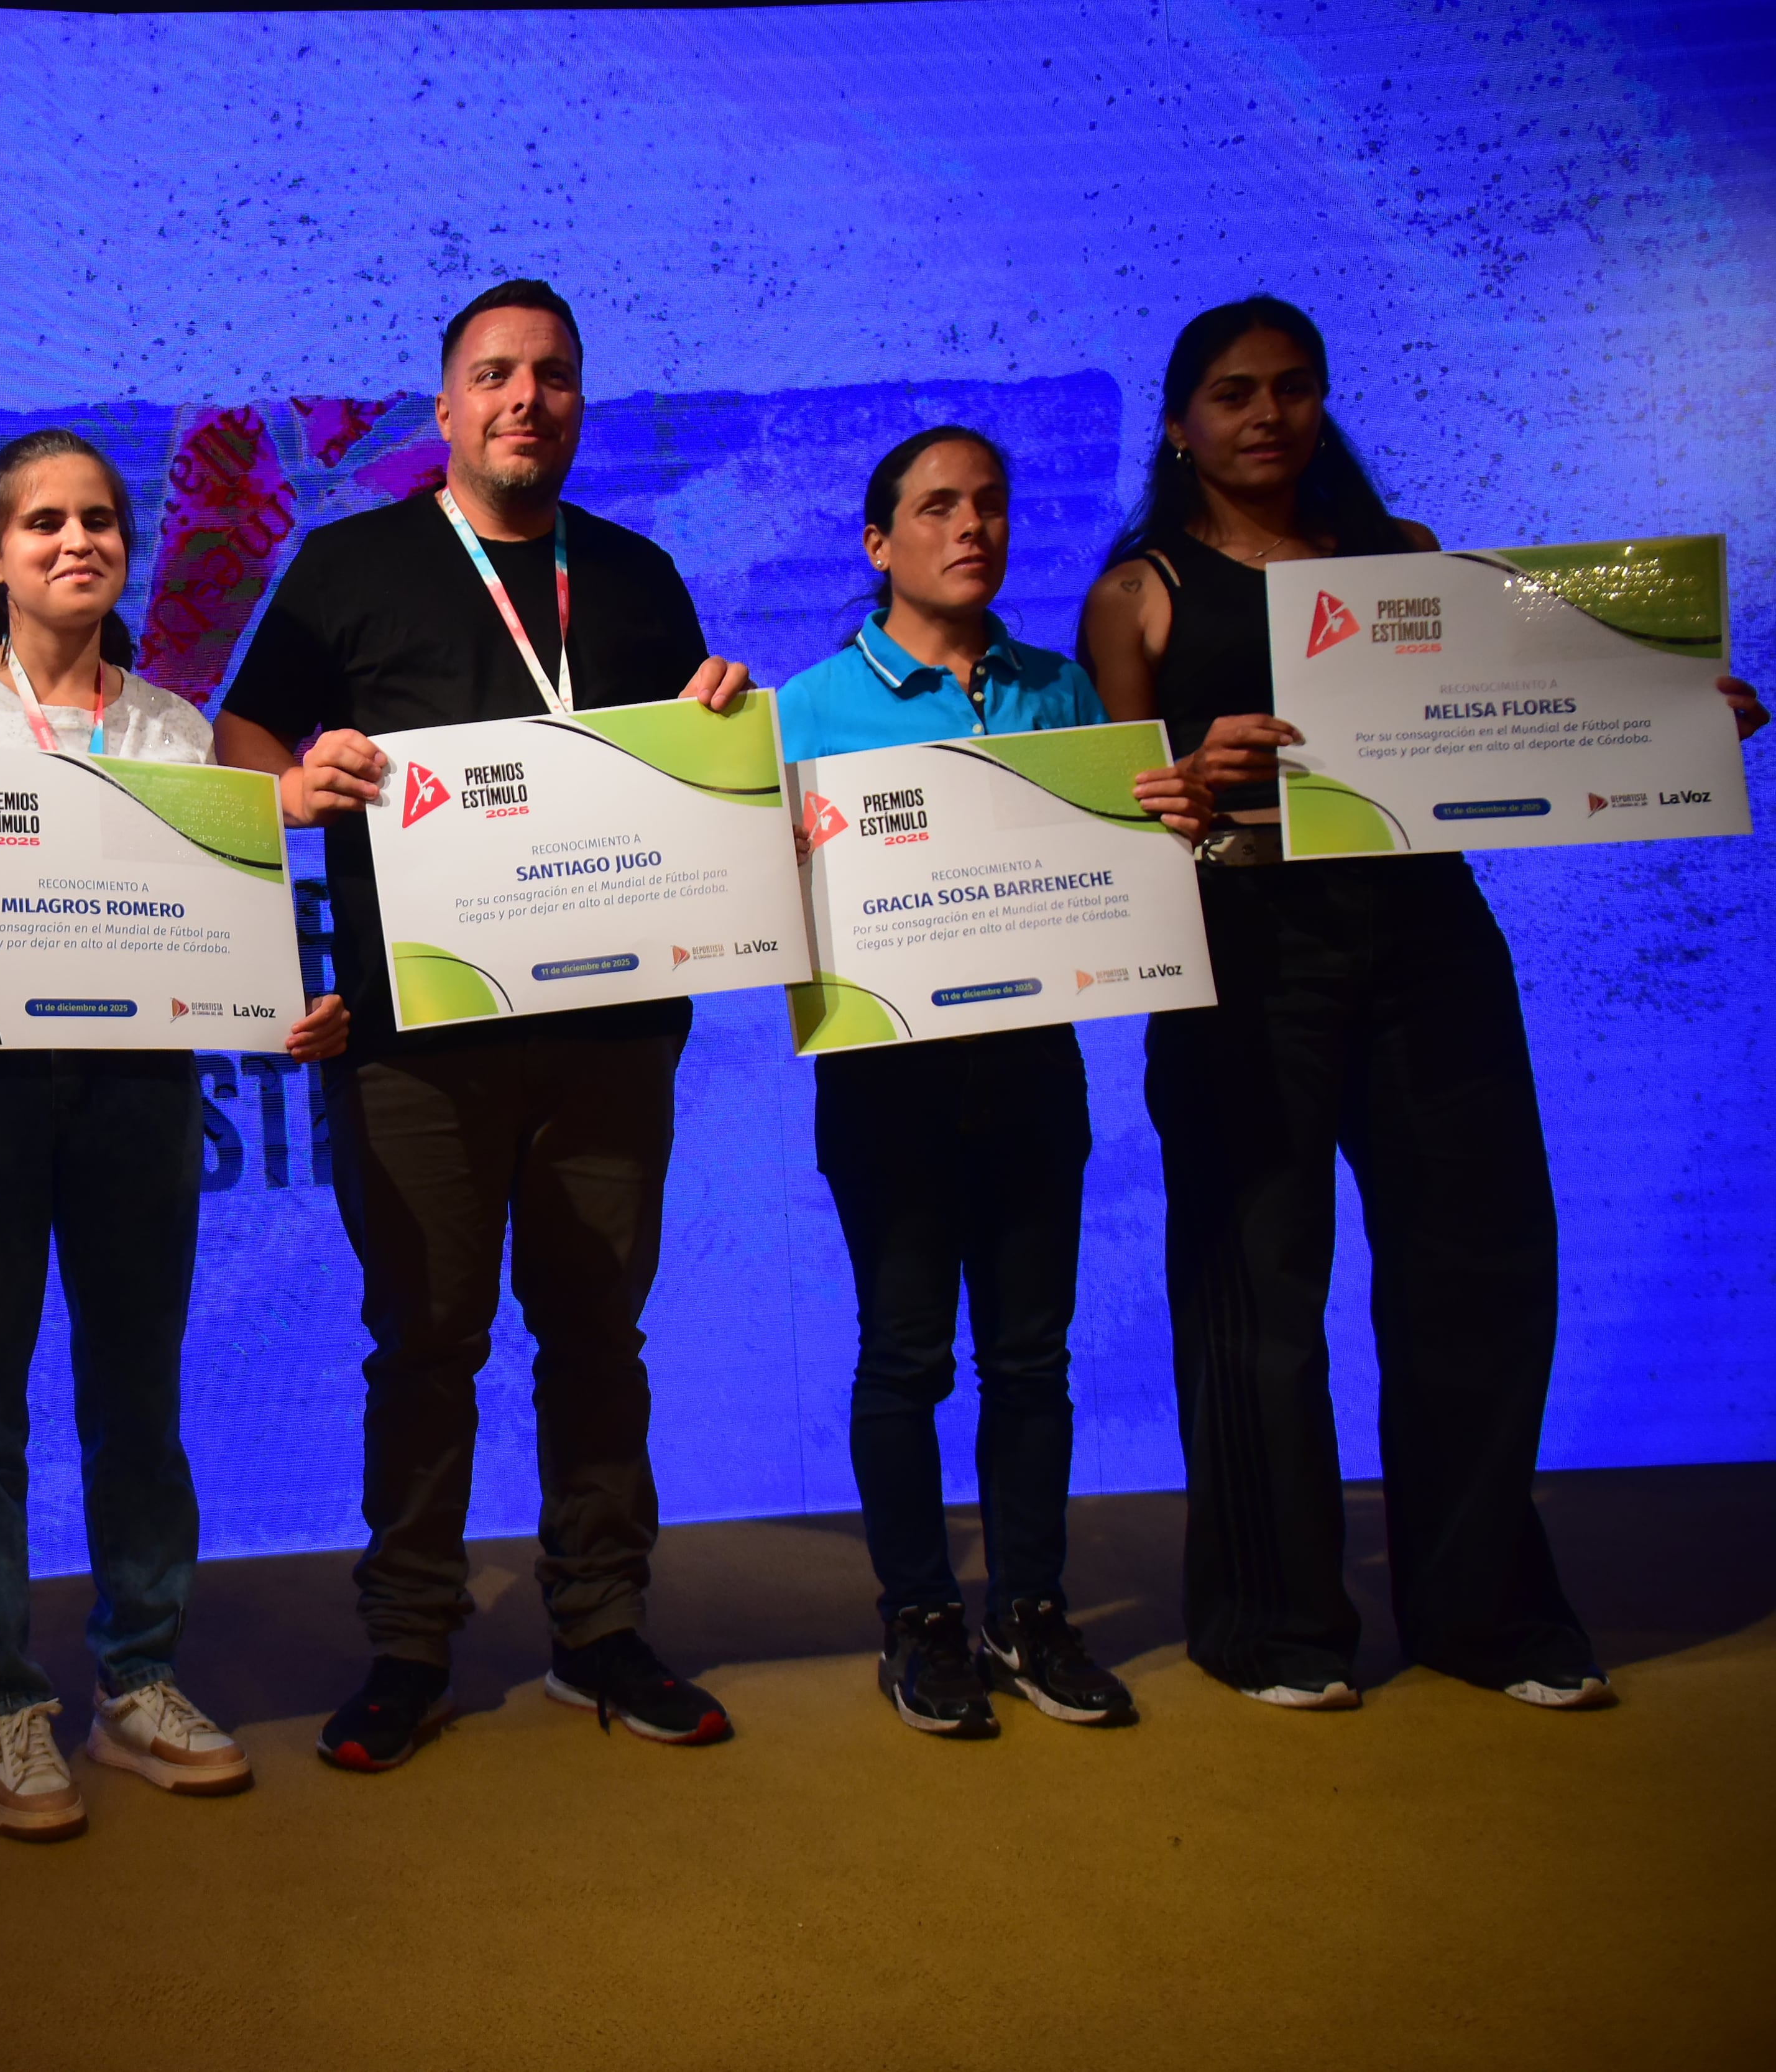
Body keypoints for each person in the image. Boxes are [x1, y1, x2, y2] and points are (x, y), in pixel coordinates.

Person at [1078, 295, 1767, 1711]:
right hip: (1241, 952)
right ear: (1178, 423)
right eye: (1231, 392)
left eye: (1290, 386)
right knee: (1253, 1293)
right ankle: (1272, 1624)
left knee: (1478, 1268)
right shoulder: (1137, 591)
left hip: (1428, 941)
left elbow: (1554, 703)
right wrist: (1190, 782)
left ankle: (1487, 1611)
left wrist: (1678, 722)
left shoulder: (1407, 564)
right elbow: (1112, 817)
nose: (1265, 413)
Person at [213, 279, 759, 1769]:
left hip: (610, 1031)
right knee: (425, 1341)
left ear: (579, 403)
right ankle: (408, 1642)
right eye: (495, 374)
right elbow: (239, 737)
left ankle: (600, 1623)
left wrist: (726, 714)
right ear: (444, 405)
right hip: (417, 1035)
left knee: (597, 1333)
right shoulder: (349, 564)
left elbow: (695, 783)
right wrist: (290, 780)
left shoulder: (640, 579)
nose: (527, 398)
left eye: (555, 376)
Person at [0, 428, 351, 1838]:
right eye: (45, 521)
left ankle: (139, 1678)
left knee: (139, 1393)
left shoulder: (175, 732)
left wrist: (285, 1007)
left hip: (133, 1092)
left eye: (101, 520)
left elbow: (222, 928)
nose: (78, 540)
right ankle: (4, 1702)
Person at [776, 426, 1209, 1736]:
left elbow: (1110, 879)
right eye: (938, 506)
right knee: (903, 1358)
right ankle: (916, 1616)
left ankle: (1029, 1611)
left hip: (1032, 1078)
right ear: (877, 542)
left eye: (992, 506)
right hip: (887, 1088)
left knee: (1030, 1358)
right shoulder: (801, 709)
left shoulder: (1062, 688)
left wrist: (1164, 834)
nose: (973, 527)